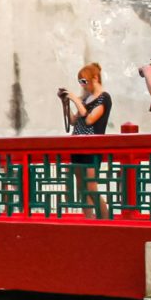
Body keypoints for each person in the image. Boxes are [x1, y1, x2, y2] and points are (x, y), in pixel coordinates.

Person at [61, 65, 112, 217]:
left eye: (84, 81)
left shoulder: (104, 97)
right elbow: (73, 121)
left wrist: (75, 99)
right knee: (81, 187)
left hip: (92, 147)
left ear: (95, 78)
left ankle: (105, 219)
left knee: (91, 187)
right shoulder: (85, 99)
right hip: (77, 145)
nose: (82, 85)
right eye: (80, 82)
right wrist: (65, 102)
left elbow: (90, 119)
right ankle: (89, 219)